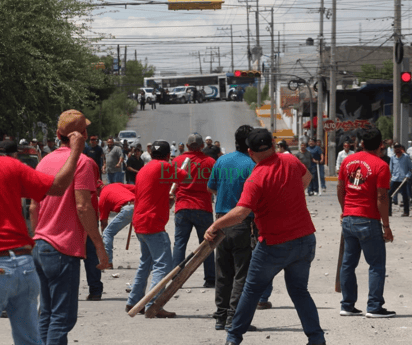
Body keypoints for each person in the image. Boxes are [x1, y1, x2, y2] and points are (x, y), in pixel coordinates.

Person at [204, 128, 325, 345]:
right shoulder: (290, 161)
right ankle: (316, 339)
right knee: (299, 291)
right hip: (305, 238)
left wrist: (215, 225)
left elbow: (241, 213)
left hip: (275, 244)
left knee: (251, 290)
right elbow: (307, 178)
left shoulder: (256, 178)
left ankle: (233, 338)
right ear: (273, 144)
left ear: (251, 152)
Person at [0, 134, 89, 345]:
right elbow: (58, 187)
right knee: (30, 339)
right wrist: (76, 151)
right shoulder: (12, 166)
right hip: (22, 262)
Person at [30, 109, 109, 345]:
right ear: (83, 134)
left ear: (58, 134)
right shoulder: (82, 162)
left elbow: (34, 207)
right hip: (63, 248)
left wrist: (39, 235)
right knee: (62, 319)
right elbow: (83, 207)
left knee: (47, 313)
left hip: (41, 246)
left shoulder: (44, 161)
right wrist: (99, 245)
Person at [126, 140, 188, 318]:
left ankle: (134, 300)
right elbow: (182, 175)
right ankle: (154, 303)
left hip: (140, 221)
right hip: (153, 223)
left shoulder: (145, 169)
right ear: (168, 155)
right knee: (162, 265)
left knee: (146, 263)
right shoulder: (164, 167)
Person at [337, 128, 395, 318]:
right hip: (368, 220)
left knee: (348, 264)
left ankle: (347, 305)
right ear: (381, 145)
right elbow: (382, 197)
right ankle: (374, 306)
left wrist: (344, 210)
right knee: (376, 265)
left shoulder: (347, 161)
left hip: (349, 219)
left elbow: (340, 188)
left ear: (361, 143)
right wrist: (386, 226)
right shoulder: (381, 165)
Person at [207, 125, 257, 331]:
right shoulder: (252, 164)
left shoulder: (222, 160)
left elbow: (211, 186)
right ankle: (234, 318)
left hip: (220, 221)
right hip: (241, 221)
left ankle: (220, 316)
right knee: (241, 273)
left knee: (223, 271)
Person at [172, 133, 216, 288]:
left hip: (182, 206)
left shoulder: (177, 161)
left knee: (179, 243)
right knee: (207, 243)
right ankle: (210, 278)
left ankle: (176, 278)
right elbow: (214, 184)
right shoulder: (209, 162)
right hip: (202, 207)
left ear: (187, 145)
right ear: (202, 146)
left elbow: (172, 183)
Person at [99, 182, 136, 269]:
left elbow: (104, 223)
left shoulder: (102, 198)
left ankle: (107, 263)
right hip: (139, 206)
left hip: (128, 208)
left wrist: (102, 239)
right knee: (143, 235)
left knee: (107, 233)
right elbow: (137, 188)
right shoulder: (116, 185)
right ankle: (150, 262)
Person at [84, 159, 105, 301]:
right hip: (90, 215)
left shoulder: (59, 160)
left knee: (67, 255)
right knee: (91, 254)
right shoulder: (90, 162)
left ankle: (65, 292)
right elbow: (99, 185)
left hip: (71, 216)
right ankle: (95, 290)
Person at [389, 142, 412, 217]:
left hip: (403, 180)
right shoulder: (392, 158)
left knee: (405, 196)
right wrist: (390, 177)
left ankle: (406, 212)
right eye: (395, 147)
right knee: (389, 195)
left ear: (401, 148)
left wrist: (408, 175)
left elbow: (410, 168)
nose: (397, 149)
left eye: (398, 147)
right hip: (395, 179)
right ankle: (389, 212)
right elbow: (391, 169)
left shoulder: (406, 157)